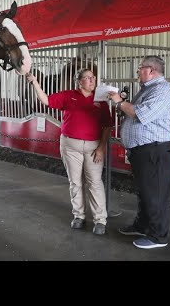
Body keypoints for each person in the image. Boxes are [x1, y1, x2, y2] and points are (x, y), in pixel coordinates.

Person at [26, 68, 113, 235]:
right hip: (70, 146)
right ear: (79, 81)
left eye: (93, 77)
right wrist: (35, 83)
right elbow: (45, 100)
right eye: (88, 78)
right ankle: (79, 216)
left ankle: (100, 220)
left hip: (94, 147)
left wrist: (102, 147)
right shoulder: (68, 96)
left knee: (95, 182)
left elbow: (108, 126)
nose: (92, 80)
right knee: (75, 182)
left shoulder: (100, 101)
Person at [108, 55, 170, 249]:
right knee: (145, 192)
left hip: (156, 150)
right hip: (144, 151)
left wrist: (118, 102)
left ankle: (158, 237)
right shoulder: (148, 90)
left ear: (151, 70)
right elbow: (136, 110)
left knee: (156, 193)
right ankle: (143, 225)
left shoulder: (162, 91)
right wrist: (123, 104)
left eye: (140, 68)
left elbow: (140, 114)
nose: (138, 72)